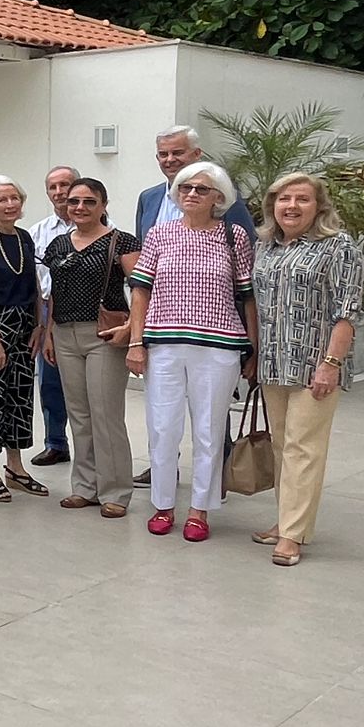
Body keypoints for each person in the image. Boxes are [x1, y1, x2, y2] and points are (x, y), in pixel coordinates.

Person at [124, 160, 259, 543]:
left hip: (219, 347)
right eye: (185, 188)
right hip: (164, 346)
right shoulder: (160, 234)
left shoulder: (234, 236)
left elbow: (248, 296)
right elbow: (140, 291)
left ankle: (200, 509)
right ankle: (163, 504)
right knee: (162, 428)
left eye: (201, 189)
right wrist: (136, 342)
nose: (192, 194)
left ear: (219, 197)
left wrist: (254, 349)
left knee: (209, 431)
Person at [249, 171, 363, 567]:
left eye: (302, 199)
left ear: (319, 206)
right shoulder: (265, 246)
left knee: (304, 448)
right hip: (273, 362)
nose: (291, 206)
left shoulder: (338, 246)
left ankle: (292, 535)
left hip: (316, 363)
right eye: (284, 198)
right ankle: (286, 521)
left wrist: (331, 364)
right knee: (283, 446)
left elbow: (347, 311)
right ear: (272, 205)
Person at [41, 177, 140, 518]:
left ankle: (116, 491)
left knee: (105, 414)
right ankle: (85, 486)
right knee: (79, 414)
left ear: (103, 205)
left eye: (88, 201)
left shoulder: (121, 241)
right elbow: (54, 292)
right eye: (73, 201)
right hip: (64, 332)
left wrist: (132, 329)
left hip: (104, 335)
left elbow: (141, 290)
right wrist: (49, 334)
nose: (80, 207)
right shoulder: (58, 245)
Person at [0, 176, 48, 502]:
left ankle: (15, 468)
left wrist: (39, 325)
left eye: (15, 198)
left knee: (20, 397)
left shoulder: (25, 237)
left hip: (24, 324)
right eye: (2, 199)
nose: (10, 204)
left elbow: (34, 284)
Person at [27, 165, 79, 466]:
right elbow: (34, 280)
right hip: (49, 310)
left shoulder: (103, 226)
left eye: (65, 185)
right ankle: (56, 442)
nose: (59, 192)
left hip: (87, 311)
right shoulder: (38, 232)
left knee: (88, 384)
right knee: (50, 382)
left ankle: (92, 446)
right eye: (53, 187)